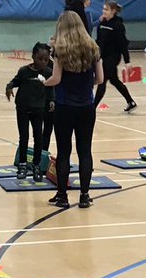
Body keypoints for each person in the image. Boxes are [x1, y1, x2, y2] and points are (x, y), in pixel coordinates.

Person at [43, 11, 102, 210]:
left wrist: (44, 83)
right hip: (86, 106)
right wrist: (85, 85)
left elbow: (56, 79)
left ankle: (62, 195)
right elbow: (100, 79)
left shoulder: (60, 50)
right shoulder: (93, 48)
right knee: (85, 150)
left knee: (64, 151)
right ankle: (85, 196)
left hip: (65, 106)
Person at [6, 43, 54, 180]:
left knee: (38, 138)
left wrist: (51, 101)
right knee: (24, 137)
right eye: (40, 59)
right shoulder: (24, 71)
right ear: (33, 57)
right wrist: (9, 87)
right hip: (23, 108)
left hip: (39, 109)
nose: (43, 62)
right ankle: (22, 164)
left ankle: (37, 165)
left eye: (46, 59)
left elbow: (51, 90)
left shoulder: (48, 73)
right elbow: (15, 82)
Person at [92, 1, 137, 113]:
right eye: (103, 9)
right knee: (114, 81)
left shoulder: (118, 25)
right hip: (103, 56)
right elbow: (99, 40)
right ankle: (131, 102)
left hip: (113, 57)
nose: (104, 11)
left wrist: (127, 61)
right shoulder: (102, 23)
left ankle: (92, 108)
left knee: (102, 80)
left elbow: (123, 44)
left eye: (106, 9)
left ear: (113, 11)